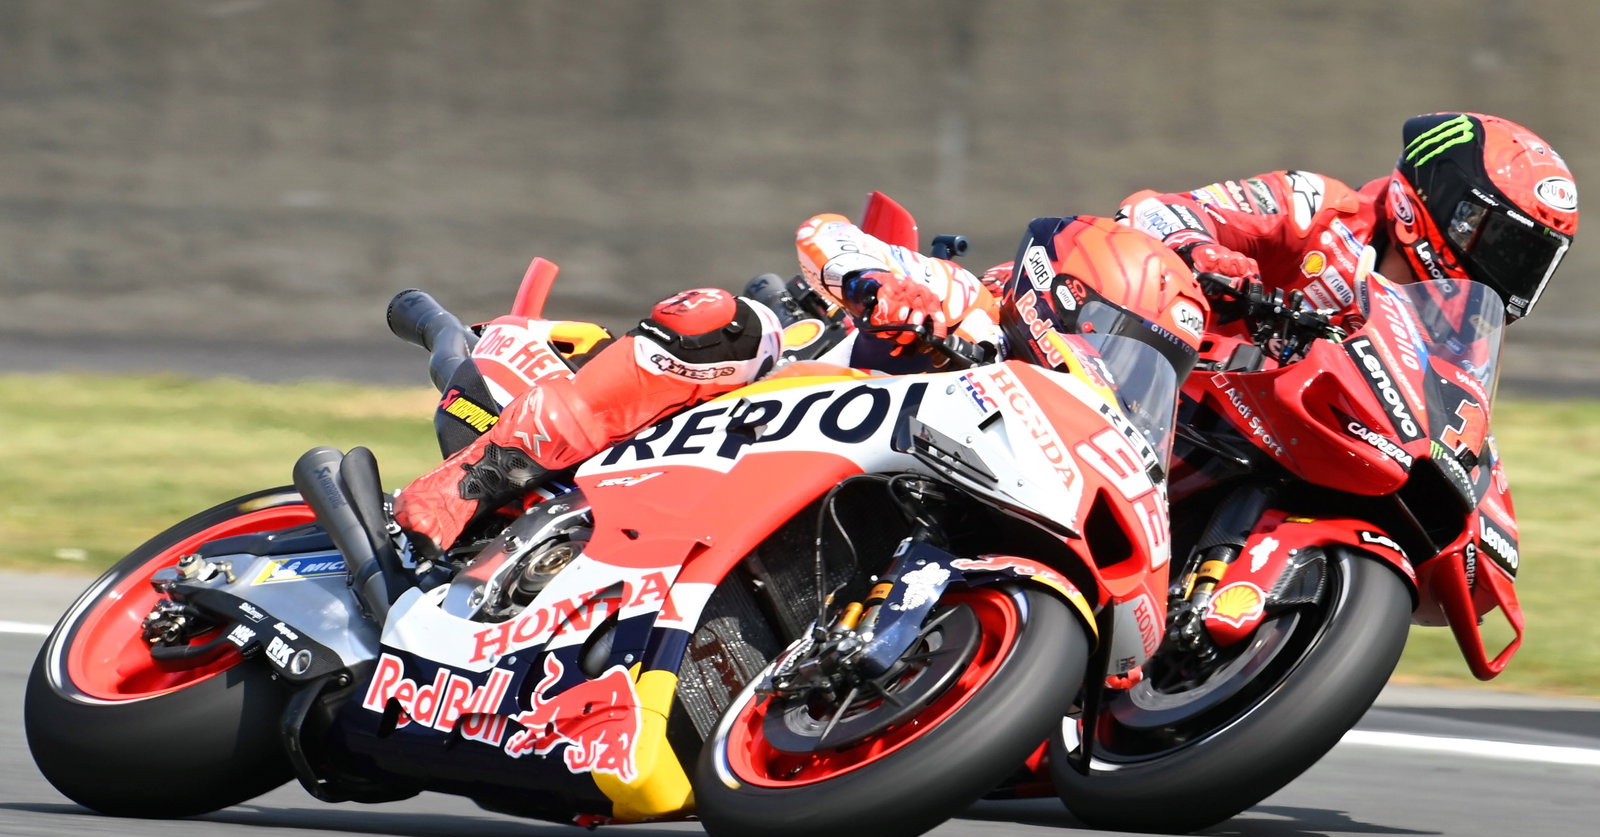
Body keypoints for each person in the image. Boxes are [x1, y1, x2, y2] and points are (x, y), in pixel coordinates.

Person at [394, 213, 1208, 557]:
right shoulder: (970, 302)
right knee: (720, 320)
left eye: (1146, 372)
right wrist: (875, 284)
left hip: (815, 516)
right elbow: (825, 233)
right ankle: (465, 485)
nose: (1116, 373)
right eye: (1113, 343)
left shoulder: (1061, 439)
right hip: (751, 415)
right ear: (1059, 296)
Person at [1115, 111, 1578, 329]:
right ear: (1441, 200)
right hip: (1183, 401)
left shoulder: (1457, 332)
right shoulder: (1318, 207)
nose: (1511, 269)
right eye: (1502, 242)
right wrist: (1201, 252)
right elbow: (1151, 211)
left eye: (1530, 260)